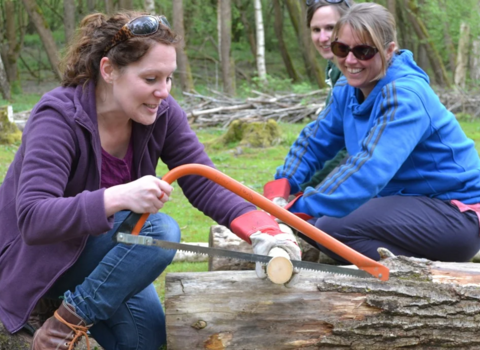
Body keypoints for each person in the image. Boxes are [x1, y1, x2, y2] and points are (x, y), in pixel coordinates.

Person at [0, 11, 300, 350]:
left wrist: (264, 231)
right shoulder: (57, 116)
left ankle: (71, 311)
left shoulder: (162, 113)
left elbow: (204, 181)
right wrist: (117, 196)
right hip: (41, 260)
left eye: (169, 78)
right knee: (158, 231)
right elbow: (33, 219)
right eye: (150, 79)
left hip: (109, 259)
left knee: (146, 339)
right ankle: (60, 326)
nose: (163, 91)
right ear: (109, 70)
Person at [264, 3, 480, 264]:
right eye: (341, 49)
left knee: (329, 228)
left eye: (364, 51)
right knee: (317, 225)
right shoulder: (347, 87)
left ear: (389, 51)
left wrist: (296, 209)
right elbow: (315, 140)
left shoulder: (405, 95)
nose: (350, 60)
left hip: (454, 215)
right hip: (406, 204)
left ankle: (428, 276)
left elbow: (370, 167)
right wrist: (283, 184)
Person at [300, 0, 353, 191]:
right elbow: (327, 133)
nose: (323, 38)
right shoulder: (334, 66)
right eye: (316, 30)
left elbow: (351, 147)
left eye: (330, 28)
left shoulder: (356, 73)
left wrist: (307, 186)